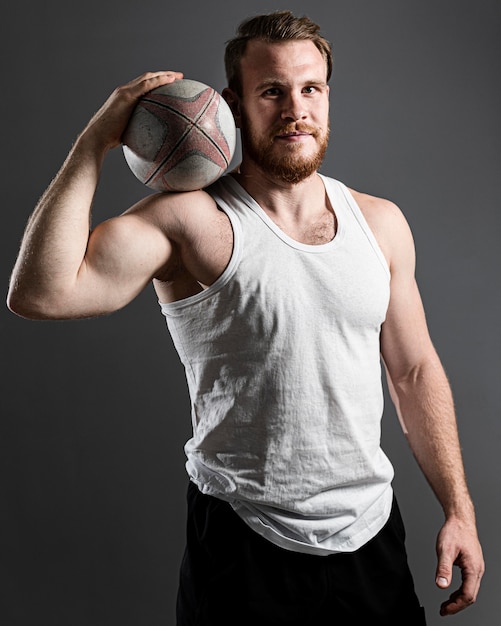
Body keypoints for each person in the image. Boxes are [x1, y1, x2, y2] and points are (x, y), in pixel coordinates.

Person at [7, 10, 484, 626]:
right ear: (233, 104)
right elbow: (41, 293)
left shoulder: (380, 223)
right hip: (243, 543)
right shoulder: (189, 222)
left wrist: (459, 510)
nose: (295, 109)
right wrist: (93, 142)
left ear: (327, 95)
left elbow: (415, 371)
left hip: (370, 535)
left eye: (310, 88)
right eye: (271, 91)